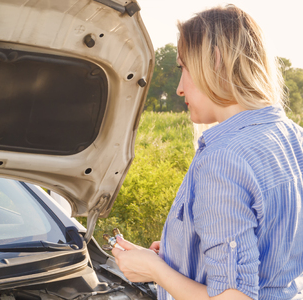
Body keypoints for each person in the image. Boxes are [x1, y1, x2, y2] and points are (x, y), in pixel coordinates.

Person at [112, 5, 303, 300]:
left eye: (183, 68)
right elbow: (273, 246)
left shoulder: (224, 159)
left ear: (214, 61)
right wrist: (183, 251)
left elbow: (233, 297)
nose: (178, 88)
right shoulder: (293, 136)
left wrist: (156, 271)